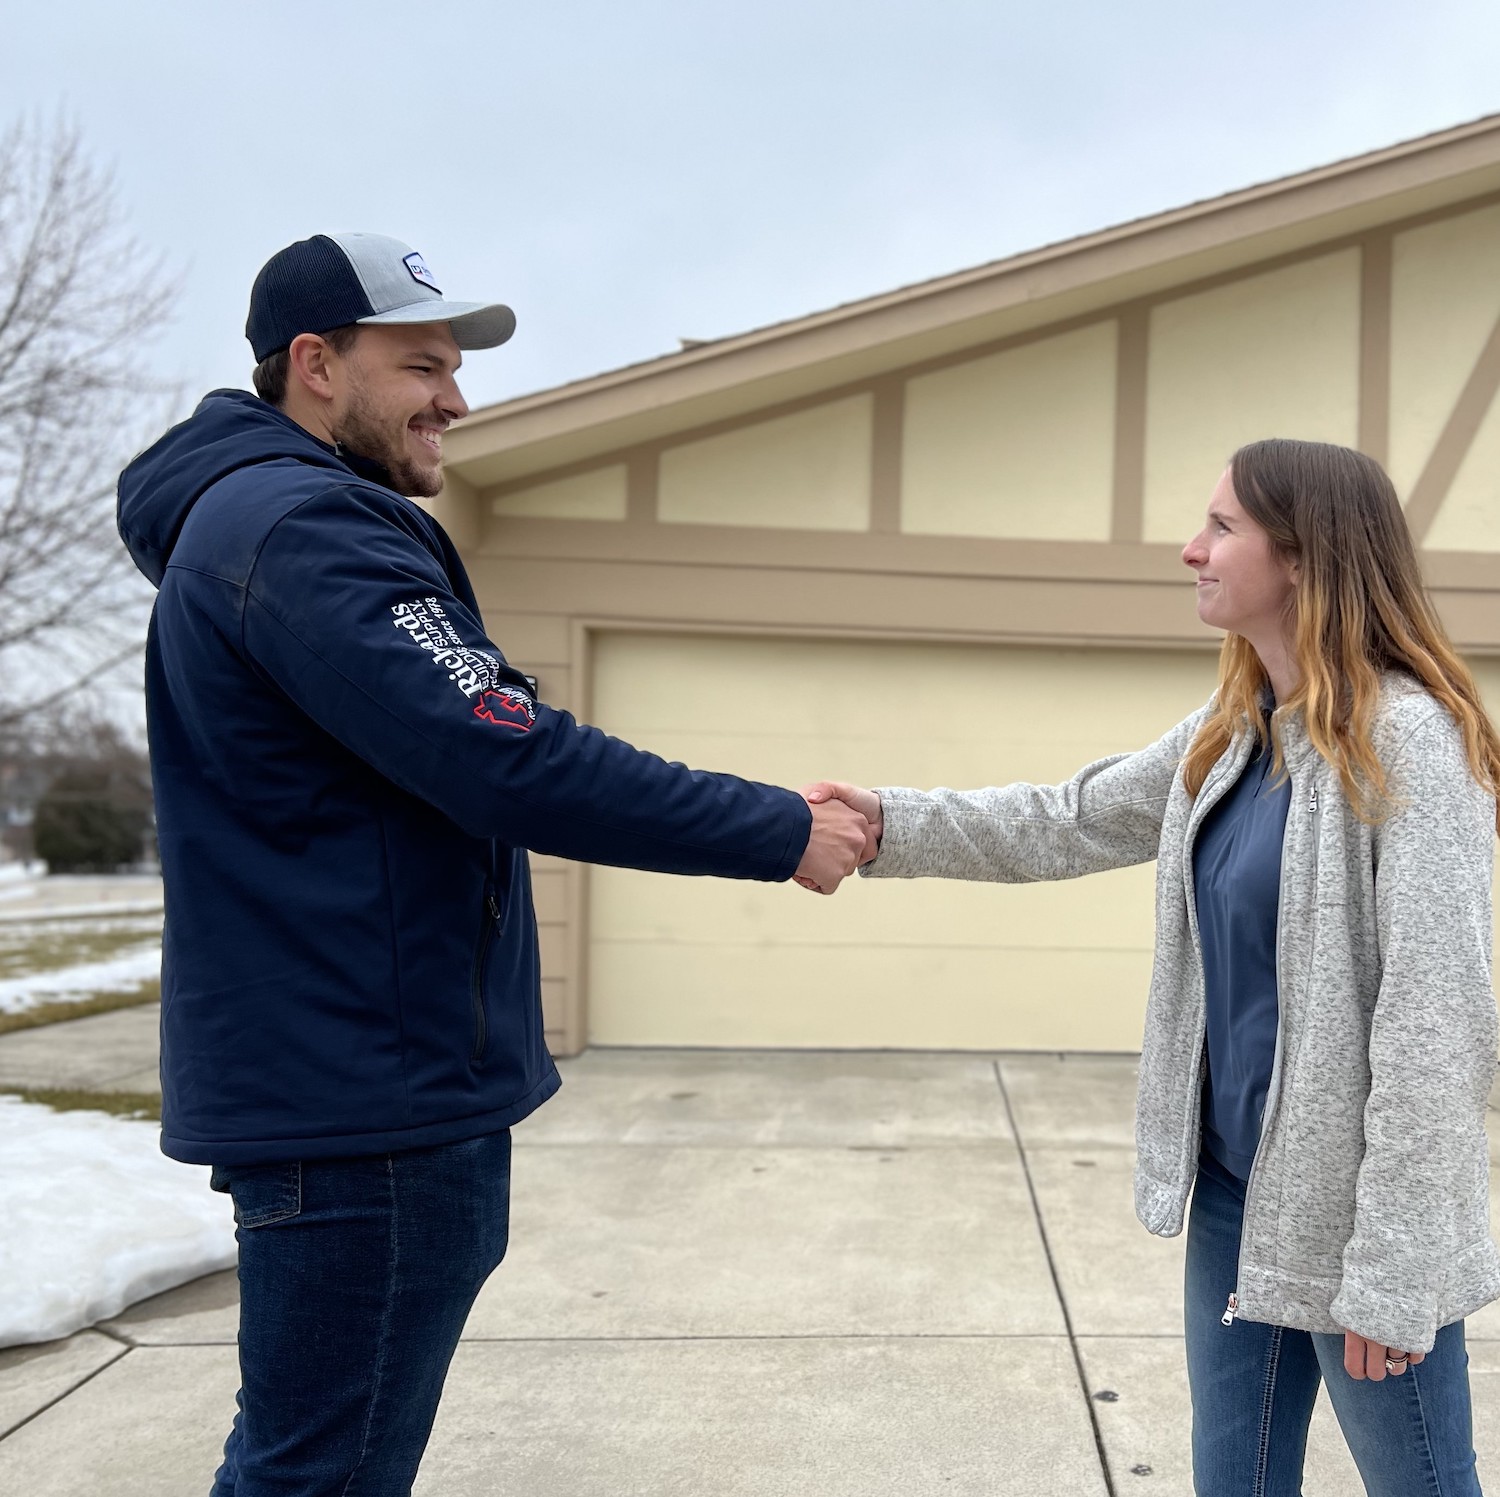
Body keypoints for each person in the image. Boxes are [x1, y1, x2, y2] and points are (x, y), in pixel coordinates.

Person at [116, 231, 876, 1496]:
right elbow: (507, 756)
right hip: (368, 1105)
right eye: (421, 366)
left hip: (343, 1086)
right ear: (315, 364)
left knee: (310, 1459)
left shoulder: (255, 520)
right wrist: (775, 828)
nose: (455, 402)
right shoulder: (305, 527)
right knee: (326, 1471)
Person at [807, 438, 1499, 1496]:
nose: (1192, 549)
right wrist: (886, 824)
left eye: (1223, 527)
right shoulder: (1233, 732)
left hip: (1356, 1224)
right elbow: (1069, 818)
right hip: (1234, 1198)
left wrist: (1396, 1272)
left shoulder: (1410, 744)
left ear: (1307, 555)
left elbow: (1437, 1020)